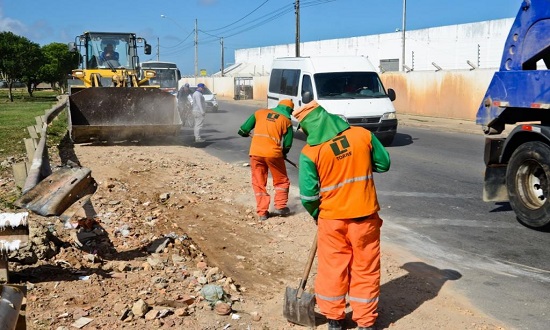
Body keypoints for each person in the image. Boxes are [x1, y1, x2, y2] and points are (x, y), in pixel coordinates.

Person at [292, 100, 390, 330]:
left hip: (332, 220)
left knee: (332, 268)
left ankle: (334, 320)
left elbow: (308, 196)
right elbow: (383, 164)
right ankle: (366, 322)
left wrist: (318, 215)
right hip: (365, 218)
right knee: (365, 268)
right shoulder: (362, 135)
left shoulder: (310, 152)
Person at [238, 99, 295, 221]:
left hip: (255, 153)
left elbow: (243, 130)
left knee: (258, 182)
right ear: (289, 110)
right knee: (281, 180)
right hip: (274, 154)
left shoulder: (259, 113)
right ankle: (280, 206)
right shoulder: (286, 120)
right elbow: (288, 144)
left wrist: (244, 133)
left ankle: (262, 212)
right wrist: (283, 153)